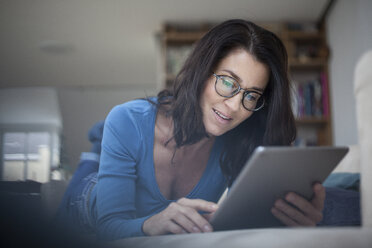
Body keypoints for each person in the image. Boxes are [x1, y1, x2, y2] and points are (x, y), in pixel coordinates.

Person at [55, 19, 358, 242]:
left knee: (335, 196)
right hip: (86, 203)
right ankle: (96, 146)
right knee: (96, 159)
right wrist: (152, 223)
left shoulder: (238, 138)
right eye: (228, 82)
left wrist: (300, 222)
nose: (234, 106)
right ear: (201, 72)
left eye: (251, 95)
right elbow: (109, 226)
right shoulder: (126, 119)